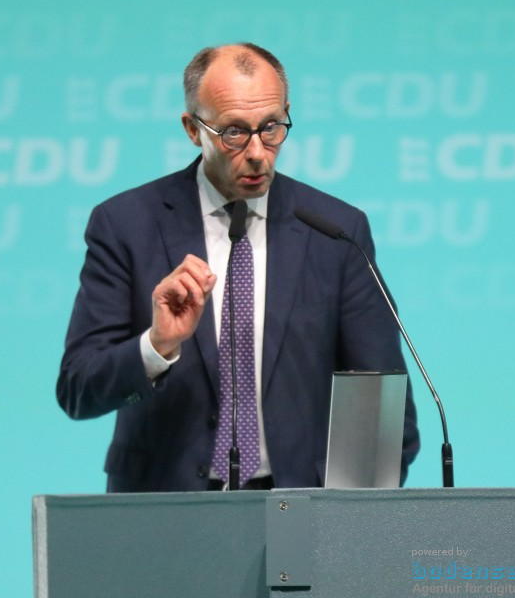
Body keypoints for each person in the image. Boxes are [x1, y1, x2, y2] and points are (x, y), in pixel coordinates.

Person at [57, 42, 420, 492]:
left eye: (271, 128)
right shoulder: (126, 225)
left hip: (300, 512)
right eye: (232, 132)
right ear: (193, 129)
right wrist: (157, 345)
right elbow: (77, 389)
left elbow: (381, 403)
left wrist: (347, 524)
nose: (256, 152)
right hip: (163, 515)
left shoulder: (337, 232)